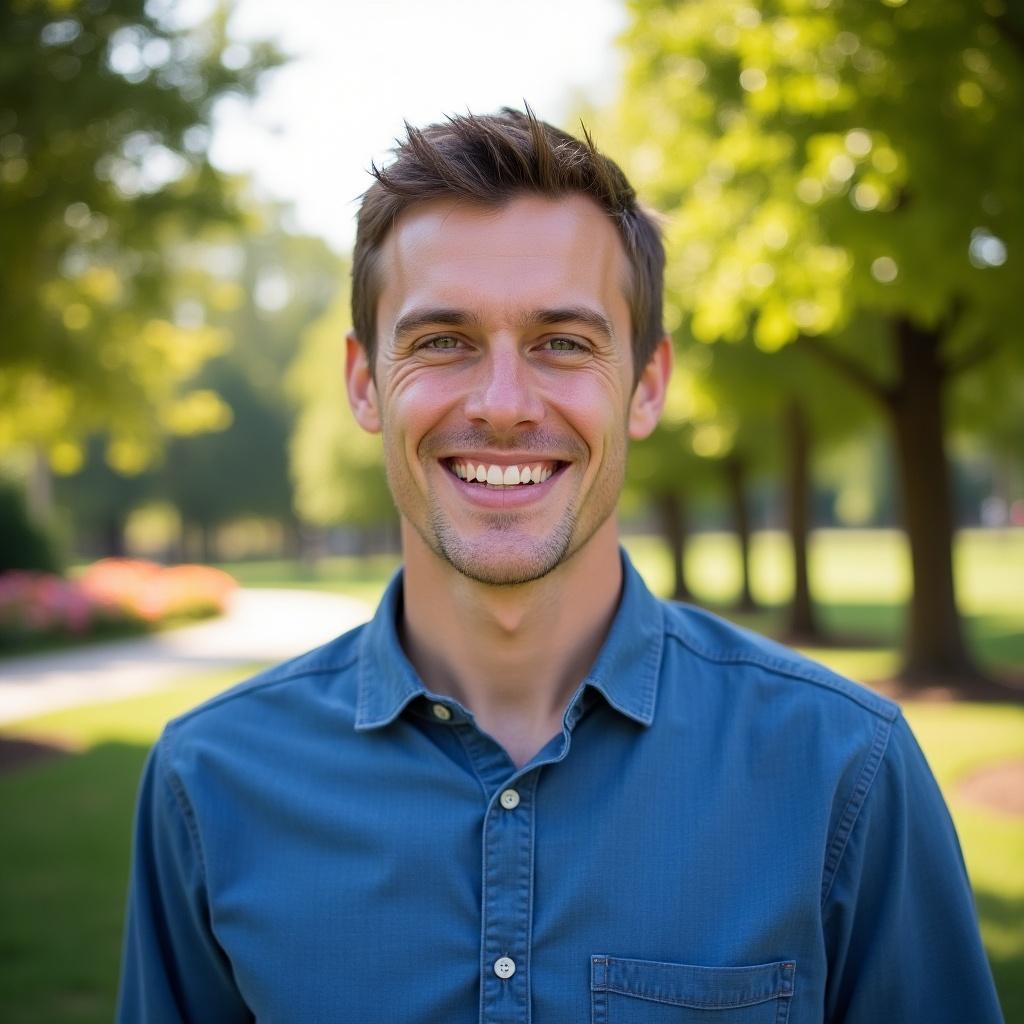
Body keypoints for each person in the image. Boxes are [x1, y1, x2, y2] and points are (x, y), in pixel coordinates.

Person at [117, 109, 1003, 1023]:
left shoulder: (842, 771)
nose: (503, 405)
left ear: (647, 385)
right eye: (442, 341)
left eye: (564, 344)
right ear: (364, 382)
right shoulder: (209, 781)